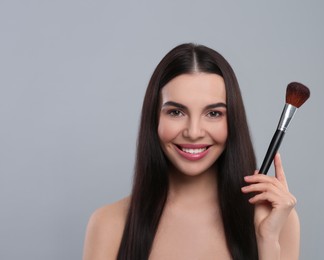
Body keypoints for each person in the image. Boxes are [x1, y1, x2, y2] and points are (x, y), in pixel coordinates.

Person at [83, 43, 300, 260]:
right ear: (154, 119)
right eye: (176, 112)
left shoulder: (278, 220)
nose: (194, 132)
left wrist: (267, 241)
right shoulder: (109, 224)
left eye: (213, 113)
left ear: (233, 120)